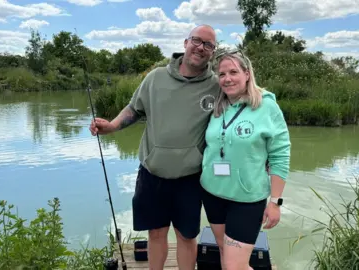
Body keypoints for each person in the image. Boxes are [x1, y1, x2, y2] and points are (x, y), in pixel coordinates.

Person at [89, 25, 220, 270]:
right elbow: (134, 109)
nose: (201, 48)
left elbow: (241, 107)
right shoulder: (156, 77)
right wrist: (112, 126)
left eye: (208, 45)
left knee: (187, 237)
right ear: (185, 43)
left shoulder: (216, 85)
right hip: (152, 173)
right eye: (197, 41)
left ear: (213, 52)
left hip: (191, 178)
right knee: (156, 234)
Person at [199, 50, 291, 270]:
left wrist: (275, 201)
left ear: (247, 74)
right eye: (222, 74)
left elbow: (280, 154)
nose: (227, 78)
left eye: (233, 72)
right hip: (213, 193)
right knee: (224, 252)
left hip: (247, 199)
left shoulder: (266, 106)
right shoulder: (218, 106)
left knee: (234, 265)